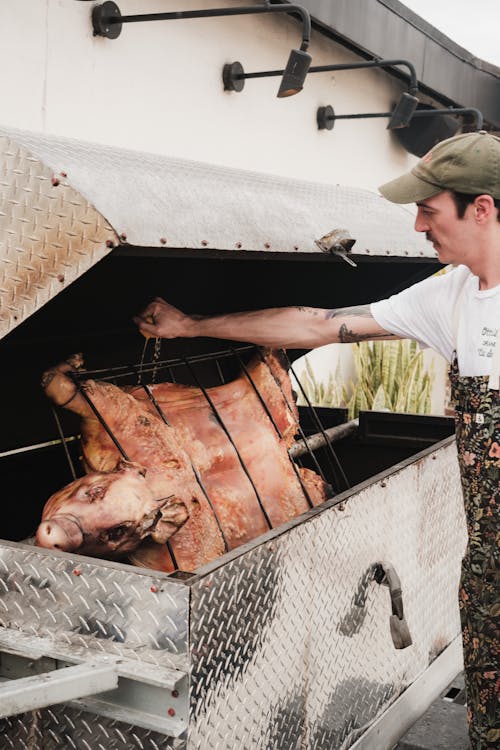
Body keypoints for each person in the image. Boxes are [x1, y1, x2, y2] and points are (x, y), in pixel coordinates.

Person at [135, 130, 500, 749]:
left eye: (429, 209)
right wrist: (192, 327)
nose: (417, 226)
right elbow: (317, 325)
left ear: (483, 207)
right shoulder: (455, 294)